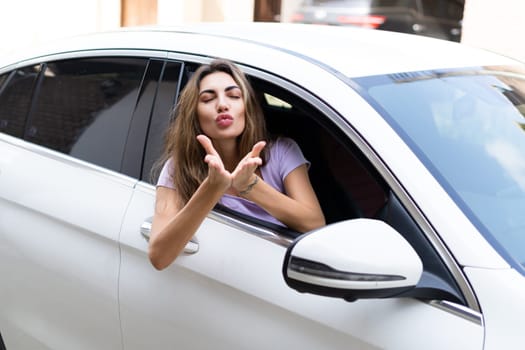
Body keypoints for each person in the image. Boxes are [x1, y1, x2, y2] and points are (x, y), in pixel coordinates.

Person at [148, 59, 325, 270]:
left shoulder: (281, 151)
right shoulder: (178, 166)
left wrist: (250, 186)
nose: (222, 104)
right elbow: (159, 257)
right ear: (195, 116)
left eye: (233, 96)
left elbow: (314, 224)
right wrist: (212, 188)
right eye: (207, 99)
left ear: (247, 107)